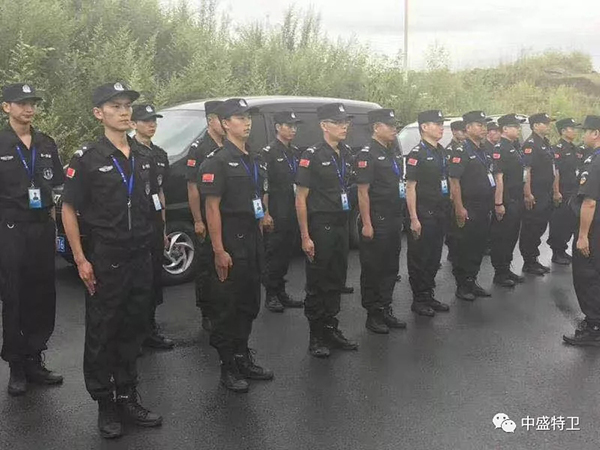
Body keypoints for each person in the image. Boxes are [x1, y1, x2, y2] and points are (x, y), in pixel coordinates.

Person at [62, 82, 163, 439]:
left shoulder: (143, 156)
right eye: (115, 106)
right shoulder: (87, 158)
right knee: (103, 332)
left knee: (133, 329)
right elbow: (68, 208)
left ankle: (127, 395)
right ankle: (105, 403)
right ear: (98, 113)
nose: (123, 112)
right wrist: (80, 258)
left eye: (127, 106)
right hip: (107, 257)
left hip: (140, 255)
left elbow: (152, 202)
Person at [199, 98, 273, 393]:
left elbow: (258, 196)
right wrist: (218, 249)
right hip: (229, 239)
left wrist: (263, 217)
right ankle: (227, 365)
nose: (247, 122)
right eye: (239, 117)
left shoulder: (253, 158)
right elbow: (212, 208)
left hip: (252, 239)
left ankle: (243, 357)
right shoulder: (216, 162)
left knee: (248, 302)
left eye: (248, 117)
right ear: (225, 123)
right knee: (226, 307)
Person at [0, 83, 64, 396]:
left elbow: (54, 188)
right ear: (6, 107)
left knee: (42, 294)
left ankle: (35, 358)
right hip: (10, 228)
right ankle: (16, 365)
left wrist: (54, 229)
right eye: (21, 103)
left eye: (32, 103)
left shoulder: (46, 143)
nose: (29, 109)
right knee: (15, 296)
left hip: (41, 228)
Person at [295, 102, 359, 358]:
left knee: (336, 280)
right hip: (321, 226)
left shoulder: (346, 153)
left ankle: (331, 329)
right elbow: (301, 198)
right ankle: (316, 335)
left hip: (341, 225)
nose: (344, 127)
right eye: (338, 122)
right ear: (324, 125)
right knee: (318, 283)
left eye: (346, 122)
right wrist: (305, 236)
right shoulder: (311, 155)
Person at [355, 109, 407, 333]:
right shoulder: (367, 155)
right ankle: (373, 314)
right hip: (377, 219)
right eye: (390, 125)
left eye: (395, 125)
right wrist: (367, 223)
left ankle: (385, 308)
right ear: (376, 127)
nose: (394, 129)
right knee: (373, 268)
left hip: (393, 217)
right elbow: (362, 192)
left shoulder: (392, 151)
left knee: (390, 267)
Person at [131, 104, 174, 350]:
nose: (151, 125)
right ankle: (134, 335)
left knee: (154, 278)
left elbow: (160, 191)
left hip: (154, 224)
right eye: (146, 120)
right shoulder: (128, 152)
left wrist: (164, 228)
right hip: (135, 224)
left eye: (154, 120)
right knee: (136, 280)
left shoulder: (159, 154)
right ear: (133, 124)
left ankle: (149, 329)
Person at [404, 110, 451, 316]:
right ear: (424, 127)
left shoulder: (441, 151)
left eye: (441, 124)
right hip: (423, 213)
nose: (441, 127)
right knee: (420, 258)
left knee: (434, 257)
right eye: (437, 124)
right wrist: (414, 218)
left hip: (439, 213)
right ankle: (419, 299)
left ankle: (429, 294)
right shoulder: (417, 154)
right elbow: (410, 187)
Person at [260, 111, 305, 312]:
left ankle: (281, 291)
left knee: (287, 253)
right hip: (277, 210)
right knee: (274, 254)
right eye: (289, 125)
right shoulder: (268, 153)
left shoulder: (294, 152)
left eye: (295, 126)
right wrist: (266, 213)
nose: (293, 130)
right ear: (278, 127)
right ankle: (271, 294)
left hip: (292, 208)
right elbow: (264, 186)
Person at [186, 100, 225, 332]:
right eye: (222, 119)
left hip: (225, 214)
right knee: (206, 265)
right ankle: (207, 310)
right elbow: (192, 187)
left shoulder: (230, 144)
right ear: (211, 120)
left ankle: (223, 305)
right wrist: (198, 220)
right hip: (206, 213)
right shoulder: (199, 148)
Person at [449, 111, 494, 301]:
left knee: (478, 245)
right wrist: (459, 207)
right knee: (464, 247)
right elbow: (454, 181)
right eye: (479, 125)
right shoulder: (461, 151)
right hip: (468, 206)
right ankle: (462, 286)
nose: (483, 128)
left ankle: (472, 280)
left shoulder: (482, 149)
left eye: (484, 125)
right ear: (467, 128)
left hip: (483, 206)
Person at [563, 115, 600, 346]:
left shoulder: (595, 161)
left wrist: (583, 236)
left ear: (595, 133)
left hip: (593, 229)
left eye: (586, 131)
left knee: (587, 276)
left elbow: (590, 202)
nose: (582, 134)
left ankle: (594, 327)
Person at [489, 114, 527, 287]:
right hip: (506, 200)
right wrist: (499, 203)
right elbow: (499, 178)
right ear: (504, 129)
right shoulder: (500, 149)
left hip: (516, 199)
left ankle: (506, 268)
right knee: (502, 237)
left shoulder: (513, 146)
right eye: (515, 127)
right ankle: (500, 272)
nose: (518, 130)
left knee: (511, 236)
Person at [519, 113, 557, 276]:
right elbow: (526, 171)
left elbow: (552, 168)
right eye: (545, 123)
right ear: (535, 126)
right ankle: (528, 261)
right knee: (531, 228)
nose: (548, 126)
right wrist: (528, 193)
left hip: (545, 193)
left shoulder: (545, 143)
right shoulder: (531, 144)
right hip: (535, 193)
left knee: (540, 226)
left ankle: (534, 259)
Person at [548, 118, 582, 265]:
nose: (574, 131)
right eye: (571, 128)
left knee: (570, 223)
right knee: (559, 223)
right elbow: (556, 173)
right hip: (562, 191)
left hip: (574, 192)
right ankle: (557, 252)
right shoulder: (557, 149)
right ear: (563, 131)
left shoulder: (575, 149)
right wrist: (556, 192)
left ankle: (563, 250)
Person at [444, 120, 466, 263]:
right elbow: (449, 174)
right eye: (461, 131)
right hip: (453, 190)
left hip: (464, 190)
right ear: (454, 131)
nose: (464, 134)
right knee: (453, 225)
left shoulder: (466, 148)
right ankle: (453, 252)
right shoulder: (450, 150)